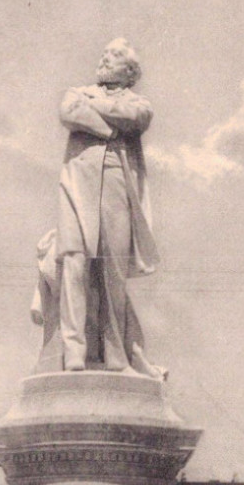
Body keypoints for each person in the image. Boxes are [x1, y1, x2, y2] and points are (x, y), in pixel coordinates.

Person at [56, 39, 162, 376]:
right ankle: (74, 350)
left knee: (113, 270)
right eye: (104, 54)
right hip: (76, 182)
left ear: (130, 73)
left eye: (114, 56)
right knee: (74, 260)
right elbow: (68, 111)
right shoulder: (78, 92)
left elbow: (135, 117)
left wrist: (94, 112)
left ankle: (117, 356)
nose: (104, 58)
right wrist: (108, 129)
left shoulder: (138, 102)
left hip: (116, 181)